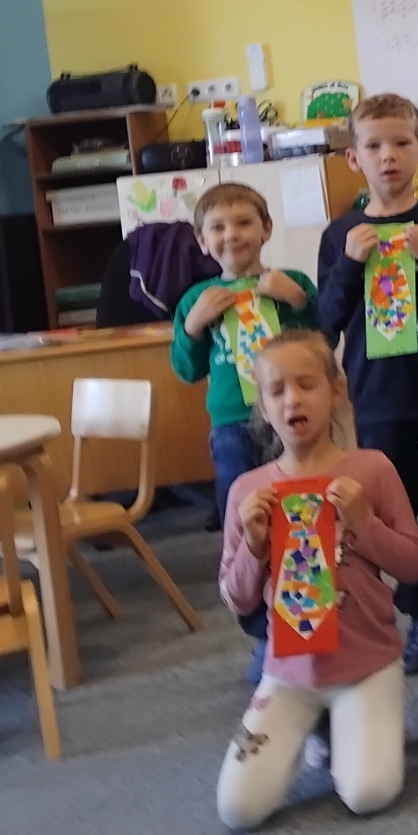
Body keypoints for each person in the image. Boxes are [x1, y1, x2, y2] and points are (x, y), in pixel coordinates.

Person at [214, 332, 418, 831]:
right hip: (289, 674)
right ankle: (320, 727)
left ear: (336, 391)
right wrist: (254, 545)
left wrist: (364, 524)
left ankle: (350, 725)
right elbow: (237, 597)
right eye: (276, 390)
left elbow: (414, 566)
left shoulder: (371, 469)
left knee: (368, 793)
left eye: (306, 384)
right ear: (263, 407)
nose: (292, 399)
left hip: (366, 664)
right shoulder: (249, 491)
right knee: (237, 809)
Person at [316, 93, 418, 673]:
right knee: (395, 511)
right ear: (354, 158)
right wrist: (349, 265)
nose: (388, 156)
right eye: (374, 146)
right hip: (378, 396)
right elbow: (325, 320)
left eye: (401, 143)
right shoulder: (341, 233)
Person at [172, 183, 320, 681]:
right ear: (202, 240)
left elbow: (321, 343)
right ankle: (264, 635)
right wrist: (192, 327)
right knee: (247, 531)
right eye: (217, 227)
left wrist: (297, 300)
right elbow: (186, 369)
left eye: (243, 223)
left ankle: (309, 625)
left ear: (266, 230)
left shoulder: (290, 282)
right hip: (233, 429)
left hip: (293, 425)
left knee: (302, 518)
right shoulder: (196, 299)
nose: (231, 235)